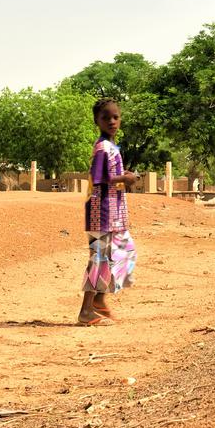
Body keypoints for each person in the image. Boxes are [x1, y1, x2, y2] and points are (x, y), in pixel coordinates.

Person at [79, 99, 140, 325]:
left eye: (115, 117)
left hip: (114, 213)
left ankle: (99, 300)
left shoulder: (112, 147)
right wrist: (125, 178)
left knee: (126, 252)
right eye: (106, 118)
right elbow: (99, 179)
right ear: (97, 121)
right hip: (100, 212)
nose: (112, 121)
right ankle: (86, 311)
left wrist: (125, 175)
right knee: (99, 259)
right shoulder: (102, 148)